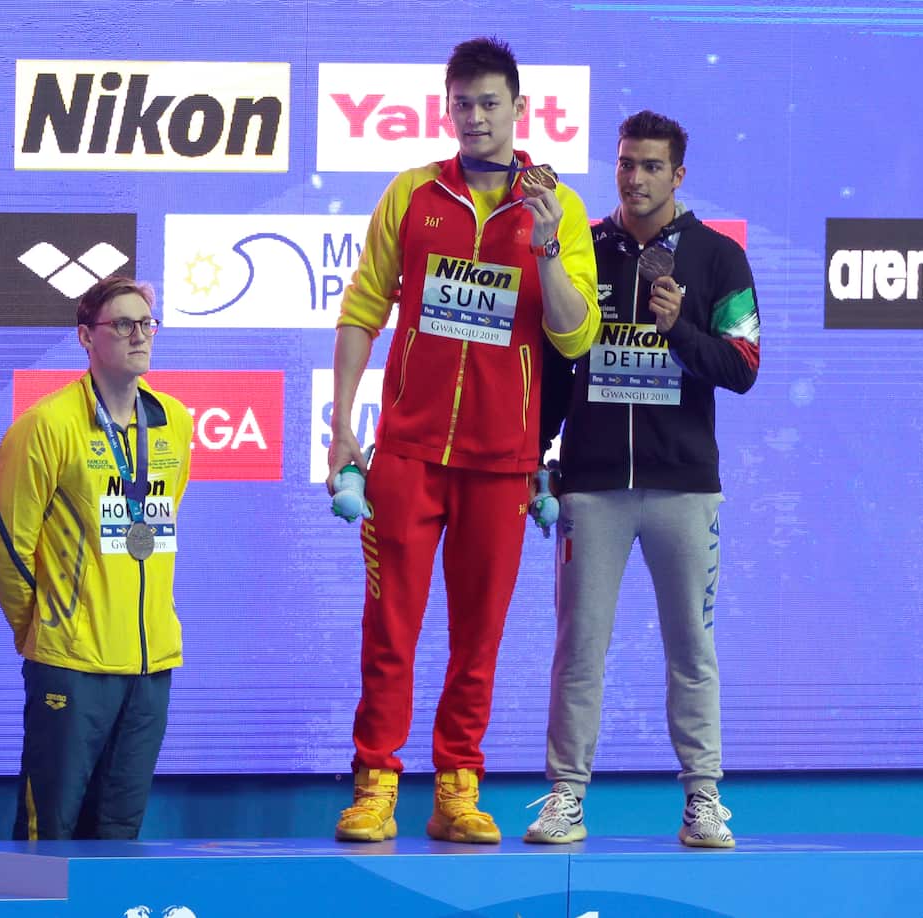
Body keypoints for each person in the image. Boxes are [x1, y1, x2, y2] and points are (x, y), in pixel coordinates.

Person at [326, 36, 600, 844]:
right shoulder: (412, 193)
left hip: (503, 462)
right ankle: (375, 784)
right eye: (462, 104)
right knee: (390, 630)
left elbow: (575, 334)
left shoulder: (561, 207)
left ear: (520, 109)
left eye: (490, 103)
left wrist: (545, 245)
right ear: (447, 109)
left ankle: (457, 788)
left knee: (478, 639)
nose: (475, 117)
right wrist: (340, 423)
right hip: (407, 456)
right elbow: (363, 308)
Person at [524, 111, 761, 848]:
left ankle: (702, 799)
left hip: (685, 488)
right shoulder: (585, 249)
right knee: (579, 648)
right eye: (627, 163)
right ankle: (565, 797)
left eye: (652, 166)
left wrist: (679, 329)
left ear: (678, 174)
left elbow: (743, 367)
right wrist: (535, 453)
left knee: (691, 648)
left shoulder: (719, 257)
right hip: (591, 485)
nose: (635, 178)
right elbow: (557, 364)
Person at [0, 274, 193, 840]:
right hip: (72, 664)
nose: (139, 335)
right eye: (122, 324)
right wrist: (45, 629)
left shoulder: (175, 423)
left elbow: (158, 527)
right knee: (49, 831)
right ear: (85, 336)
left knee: (119, 832)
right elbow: (8, 545)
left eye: (146, 323)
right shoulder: (45, 426)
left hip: (150, 667)